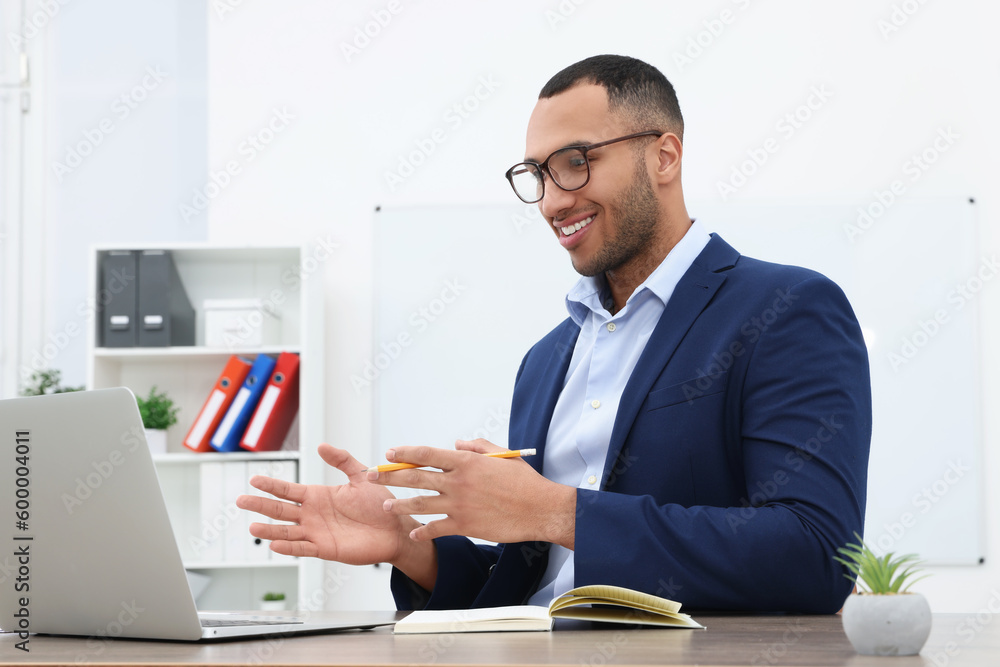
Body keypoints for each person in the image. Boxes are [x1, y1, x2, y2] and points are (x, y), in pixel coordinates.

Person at [237, 54, 871, 614]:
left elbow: (815, 556)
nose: (551, 202)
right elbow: (538, 580)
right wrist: (412, 548)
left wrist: (551, 509)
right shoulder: (545, 361)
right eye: (537, 174)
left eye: (575, 162)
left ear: (665, 156)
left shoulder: (785, 309)